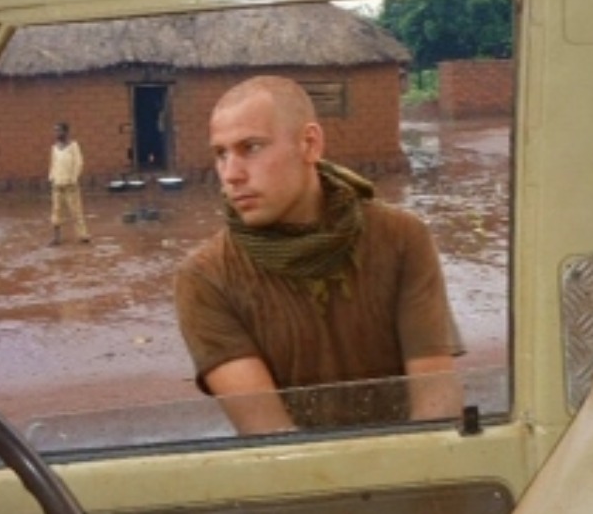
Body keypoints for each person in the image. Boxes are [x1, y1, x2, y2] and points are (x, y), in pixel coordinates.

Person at [174, 75, 465, 435]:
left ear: (309, 144)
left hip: (407, 458)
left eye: (251, 147)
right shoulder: (206, 277)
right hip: (299, 468)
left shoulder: (401, 238)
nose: (231, 174)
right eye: (221, 154)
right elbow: (269, 432)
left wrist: (412, 463)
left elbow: (435, 399)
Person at [47, 122, 90, 245]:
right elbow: (53, 163)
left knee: (76, 210)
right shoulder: (54, 148)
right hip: (57, 183)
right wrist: (52, 177)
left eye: (59, 131)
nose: (56, 133)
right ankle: (56, 237)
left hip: (70, 184)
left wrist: (74, 177)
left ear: (66, 132)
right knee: (56, 211)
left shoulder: (73, 146)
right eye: (55, 131)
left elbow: (78, 163)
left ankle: (83, 235)